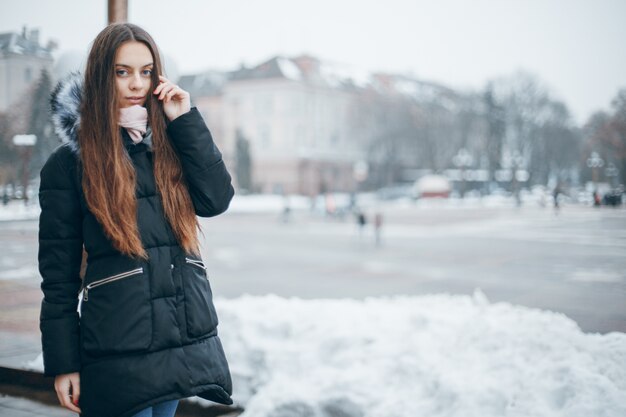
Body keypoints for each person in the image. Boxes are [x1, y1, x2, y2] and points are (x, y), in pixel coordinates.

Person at [39, 23, 234, 417]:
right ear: (99, 76)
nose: (136, 84)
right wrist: (64, 363)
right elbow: (58, 276)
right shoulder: (69, 165)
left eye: (146, 72)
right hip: (117, 347)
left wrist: (185, 120)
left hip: (177, 339)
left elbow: (216, 199)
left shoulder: (168, 145)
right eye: (122, 71)